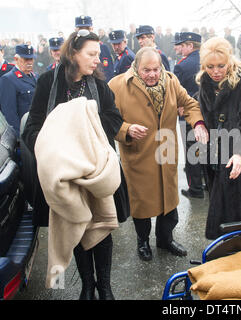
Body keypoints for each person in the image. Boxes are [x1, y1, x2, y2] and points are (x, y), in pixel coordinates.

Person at [22, 30, 129, 300]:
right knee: (77, 225)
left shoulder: (99, 86)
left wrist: (86, 133)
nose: (98, 60)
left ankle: (105, 287)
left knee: (102, 228)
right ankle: (87, 286)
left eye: (98, 54)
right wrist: (50, 149)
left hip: (96, 171)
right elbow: (33, 125)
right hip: (65, 174)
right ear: (73, 54)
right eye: (91, 55)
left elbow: (114, 119)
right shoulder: (48, 83)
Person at [108, 47, 208, 261]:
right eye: (147, 70)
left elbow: (189, 104)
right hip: (138, 154)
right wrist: (126, 130)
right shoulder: (117, 85)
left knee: (168, 202)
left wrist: (198, 123)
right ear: (136, 67)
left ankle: (165, 239)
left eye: (156, 69)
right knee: (141, 203)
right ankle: (142, 241)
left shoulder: (170, 81)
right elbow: (108, 118)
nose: (153, 74)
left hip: (166, 152)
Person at [196, 37, 241, 240]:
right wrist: (198, 124)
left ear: (230, 61)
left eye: (221, 65)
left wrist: (240, 154)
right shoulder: (205, 87)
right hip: (216, 159)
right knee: (222, 215)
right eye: (210, 66)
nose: (216, 71)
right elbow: (200, 113)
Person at [173, 32, 206, 199]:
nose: (179, 47)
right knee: (205, 149)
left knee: (192, 152)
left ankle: (196, 188)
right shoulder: (206, 60)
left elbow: (175, 91)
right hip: (206, 112)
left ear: (190, 46)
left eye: (183, 45)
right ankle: (206, 182)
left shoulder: (182, 66)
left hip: (187, 112)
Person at [0, 44, 37, 136]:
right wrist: (19, 137)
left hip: (35, 131)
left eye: (31, 59)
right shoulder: (8, 79)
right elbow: (10, 114)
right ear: (16, 59)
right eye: (25, 59)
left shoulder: (35, 77)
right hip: (23, 133)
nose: (29, 62)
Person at [75, 15, 115, 83]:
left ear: (92, 29)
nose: (85, 33)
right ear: (76, 30)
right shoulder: (71, 50)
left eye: (87, 29)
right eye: (81, 29)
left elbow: (108, 71)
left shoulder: (103, 48)